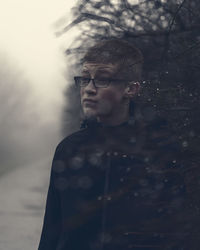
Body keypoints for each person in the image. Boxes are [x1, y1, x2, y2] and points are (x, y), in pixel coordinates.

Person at [38, 39, 188, 250]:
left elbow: (179, 234)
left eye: (102, 79)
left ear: (131, 89)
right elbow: (52, 232)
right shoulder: (68, 149)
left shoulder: (160, 151)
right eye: (85, 78)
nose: (89, 89)